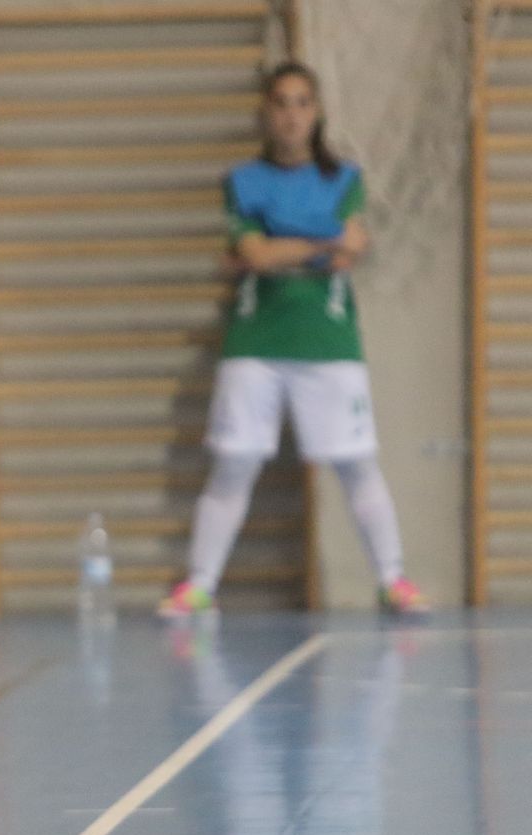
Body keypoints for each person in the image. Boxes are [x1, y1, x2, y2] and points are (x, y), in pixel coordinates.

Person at [159, 61, 429, 618]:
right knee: (234, 465)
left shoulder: (345, 180)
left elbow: (345, 252)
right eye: (280, 103)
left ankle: (393, 580)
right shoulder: (243, 181)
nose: (291, 114)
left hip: (328, 344)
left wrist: (280, 246)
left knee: (357, 466)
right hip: (255, 344)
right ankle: (200, 584)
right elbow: (261, 255)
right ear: (265, 112)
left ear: (318, 111)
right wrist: (321, 243)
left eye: (302, 102)